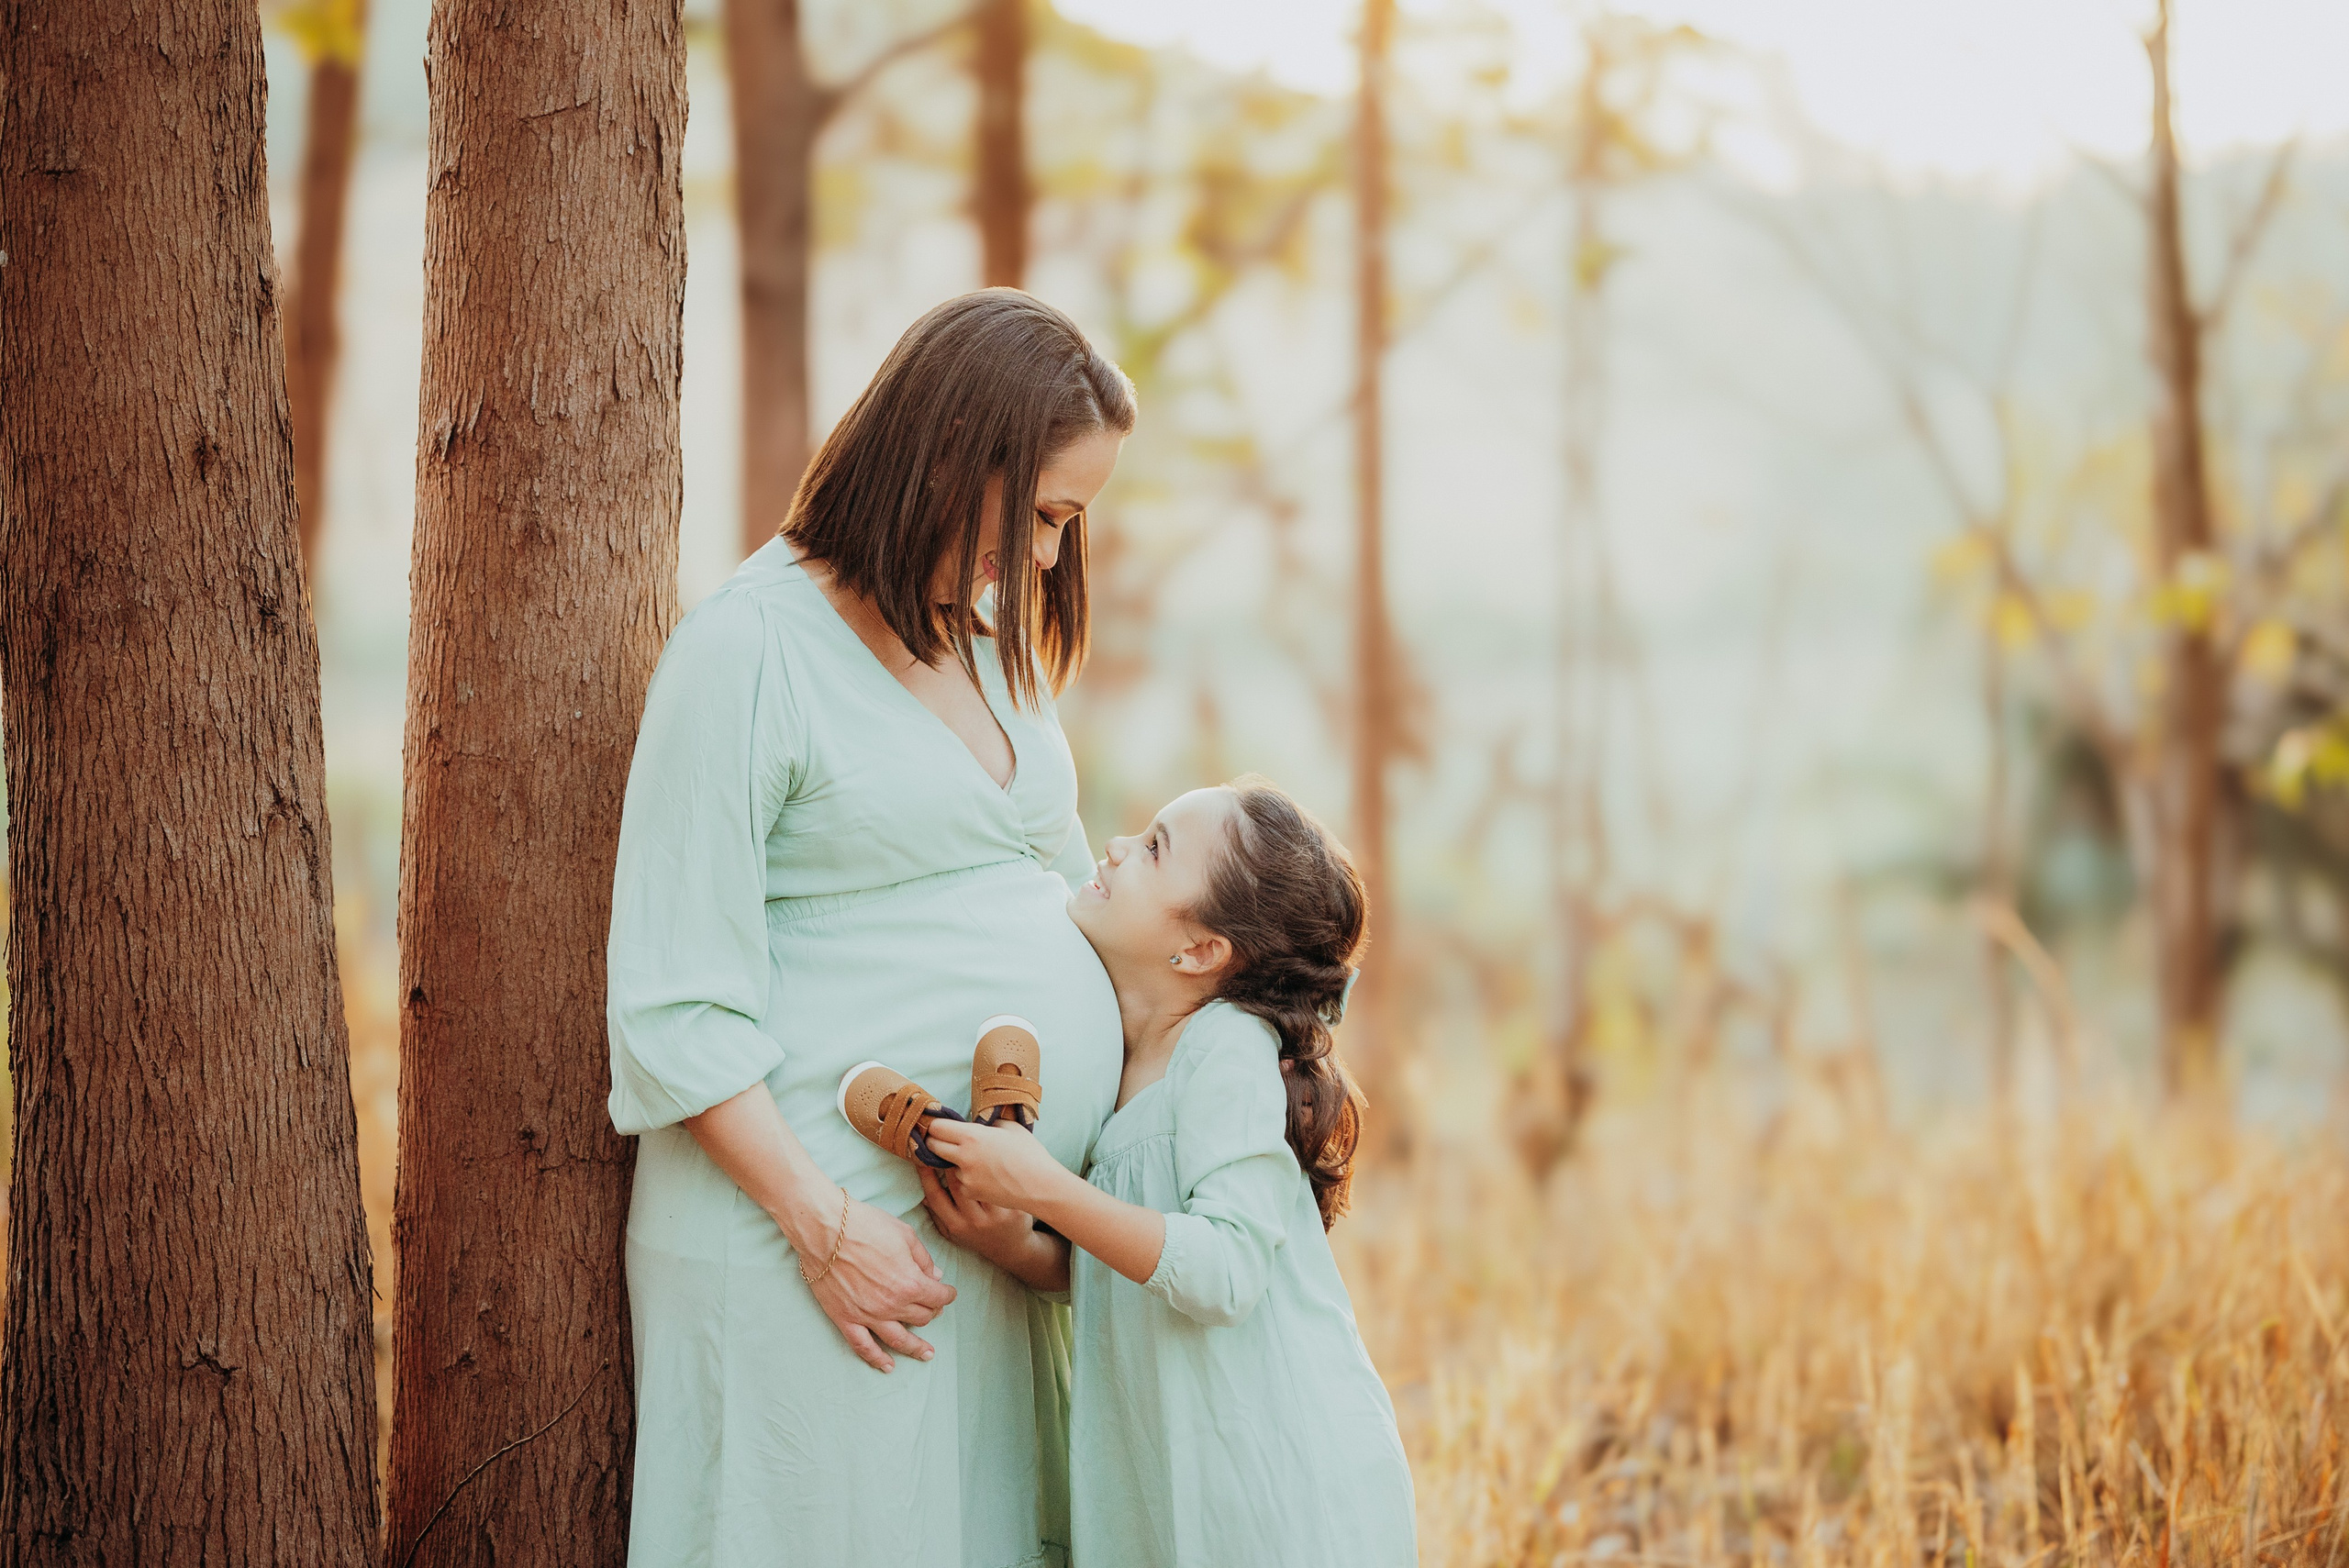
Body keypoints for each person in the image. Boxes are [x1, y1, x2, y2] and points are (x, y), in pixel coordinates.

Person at [606, 290, 1134, 1567]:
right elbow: (674, 1001)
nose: (1056, 560)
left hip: (981, 1242)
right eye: (1050, 516)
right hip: (818, 1245)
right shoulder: (748, 651)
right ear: (958, 456)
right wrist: (825, 1230)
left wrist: (1046, 1220)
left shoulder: (986, 645)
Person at [918, 779, 1420, 1568]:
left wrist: (1040, 1186)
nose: (1116, 847)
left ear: (1200, 951)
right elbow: (1135, 1274)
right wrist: (1016, 1245)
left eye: (1154, 847)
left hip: (1273, 1488)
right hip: (1176, 1481)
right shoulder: (1126, 1067)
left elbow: (1221, 1269)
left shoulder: (1226, 1045)